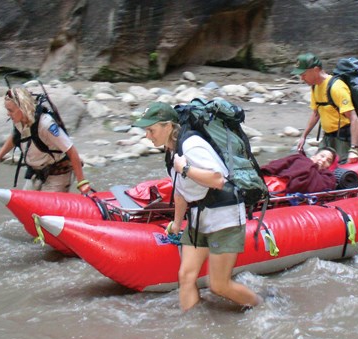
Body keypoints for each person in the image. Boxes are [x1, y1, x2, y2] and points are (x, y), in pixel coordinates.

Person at [133, 102, 260, 312]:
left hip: (224, 217)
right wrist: (176, 222)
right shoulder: (171, 152)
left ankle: (261, 305)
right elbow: (181, 191)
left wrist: (186, 169)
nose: (147, 136)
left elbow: (218, 180)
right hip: (198, 218)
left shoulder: (192, 145)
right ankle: (192, 326)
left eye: (151, 130)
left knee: (219, 285)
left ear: (167, 127)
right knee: (186, 276)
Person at [0, 86, 90, 194]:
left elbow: (71, 151)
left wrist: (82, 182)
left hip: (58, 173)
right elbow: (15, 137)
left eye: (10, 110)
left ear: (22, 108)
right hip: (36, 173)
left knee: (48, 210)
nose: (8, 114)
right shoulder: (19, 121)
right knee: (26, 207)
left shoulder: (46, 124)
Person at [292, 53, 358, 164]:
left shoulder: (336, 87)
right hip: (328, 137)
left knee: (342, 172)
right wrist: (303, 136)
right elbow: (316, 113)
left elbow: (354, 118)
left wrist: (354, 149)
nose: (301, 78)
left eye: (303, 74)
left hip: (344, 138)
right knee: (316, 165)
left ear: (315, 70)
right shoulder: (315, 86)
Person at [260, 147, 337, 194]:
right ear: (314, 156)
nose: (323, 160)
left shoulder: (327, 177)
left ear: (329, 166)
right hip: (273, 181)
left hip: (284, 190)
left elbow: (320, 187)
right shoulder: (300, 158)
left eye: (328, 161)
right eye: (322, 156)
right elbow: (277, 165)